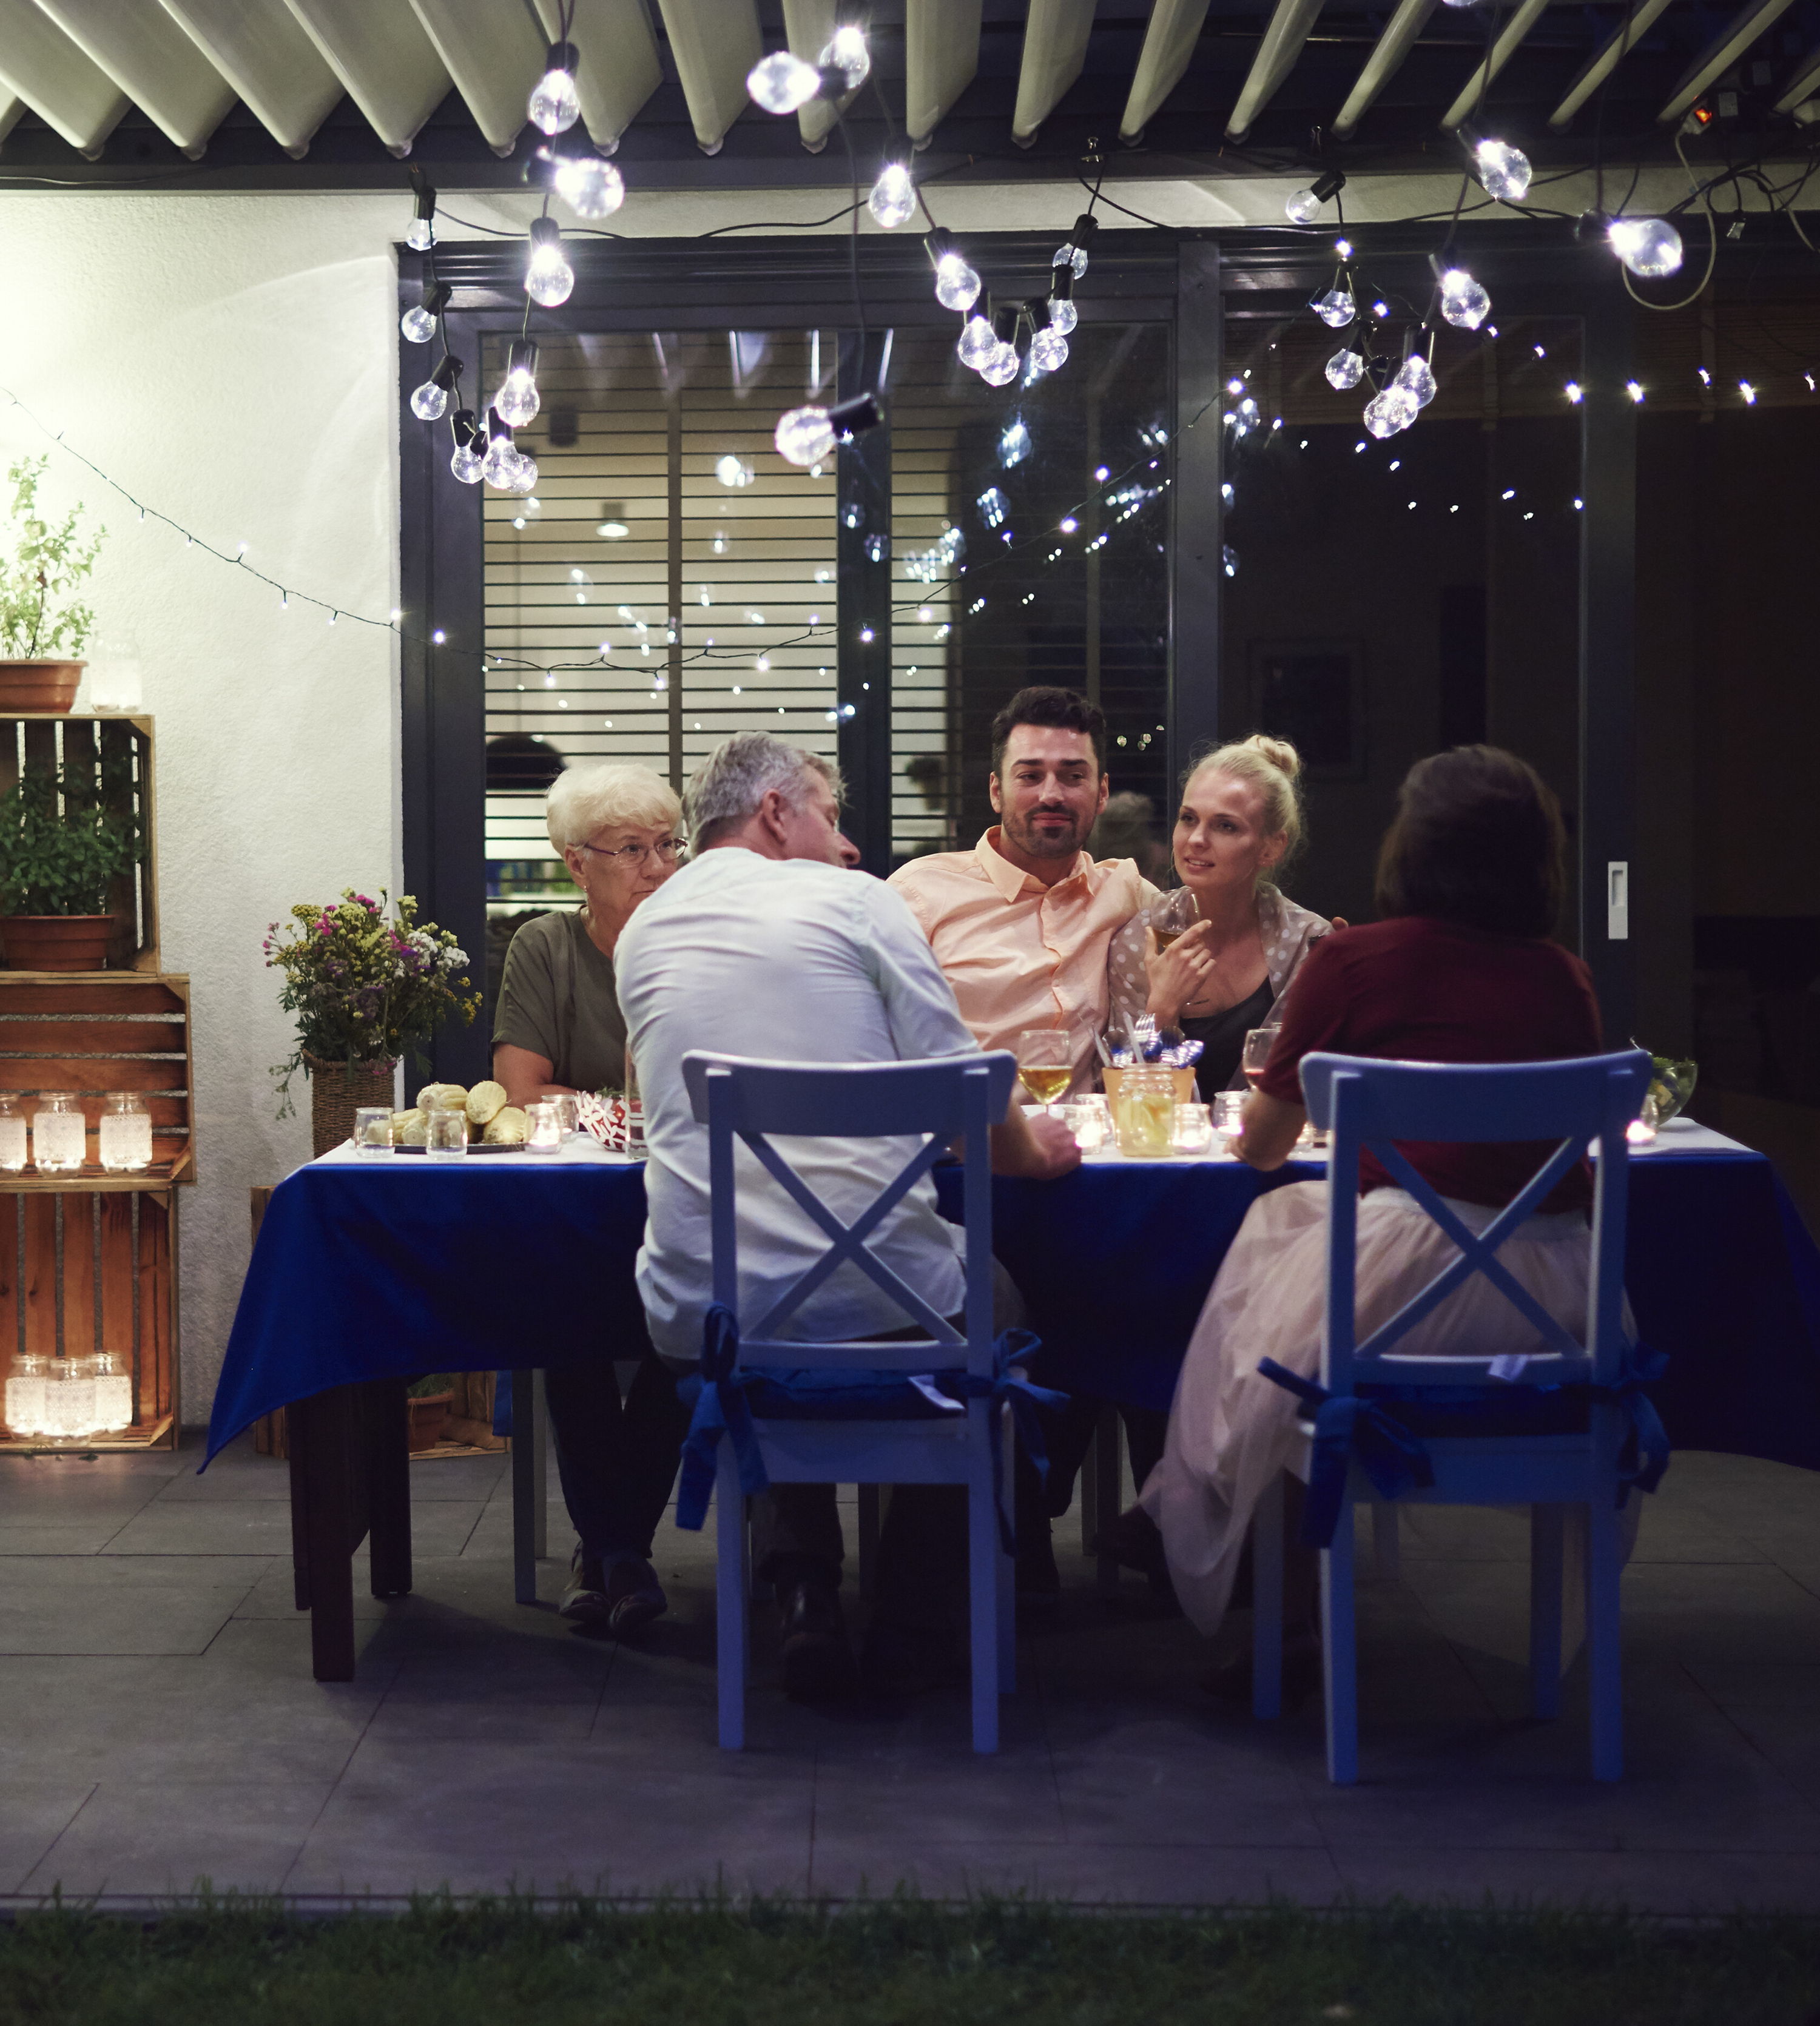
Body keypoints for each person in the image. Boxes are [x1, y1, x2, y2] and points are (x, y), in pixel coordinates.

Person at [615, 731, 1080, 1701]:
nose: (849, 844)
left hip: (700, 1315)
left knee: (772, 1293)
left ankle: (803, 1593)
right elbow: (966, 1095)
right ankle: (911, 1619)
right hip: (880, 1306)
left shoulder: (644, 927)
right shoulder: (859, 901)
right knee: (990, 1302)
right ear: (775, 812)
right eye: (831, 817)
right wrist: (1036, 1151)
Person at [1141, 746, 1609, 1697]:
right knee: (1290, 1244)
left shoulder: (1354, 960)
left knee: (1272, 1307)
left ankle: (1270, 1596)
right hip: (1562, 1305)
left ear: (1411, 847)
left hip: (1408, 1300)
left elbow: (1261, 1148)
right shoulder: (1566, 979)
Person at [490, 760, 693, 1637]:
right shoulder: (546, 946)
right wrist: (633, 1108)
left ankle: (608, 1550)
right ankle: (622, 1554)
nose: (659, 866)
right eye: (632, 849)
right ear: (576, 863)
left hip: (685, 1204)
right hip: (579, 1211)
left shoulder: (702, 944)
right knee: (562, 1320)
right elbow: (519, 1090)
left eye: (669, 845)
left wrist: (597, 1104)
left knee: (691, 1323)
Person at [888, 685, 1159, 1099]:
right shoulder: (918, 896)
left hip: (1083, 1136)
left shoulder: (1125, 892)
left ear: (1102, 792)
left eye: (1073, 776)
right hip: (962, 1135)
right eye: (1030, 776)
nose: (1051, 795)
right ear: (997, 791)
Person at [1106, 736, 1335, 1099]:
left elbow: (1317, 1089)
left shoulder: (1307, 943)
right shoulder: (1141, 937)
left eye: (1226, 826)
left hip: (1270, 1135)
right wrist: (1162, 1008)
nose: (1196, 839)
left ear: (1270, 847)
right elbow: (1128, 1097)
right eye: (1188, 819)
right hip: (1163, 1134)